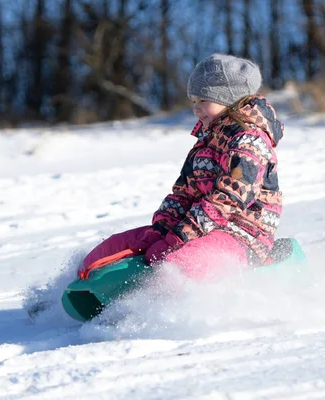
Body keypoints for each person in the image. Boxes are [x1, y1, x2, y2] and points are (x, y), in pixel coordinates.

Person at [78, 54, 284, 279]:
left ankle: (165, 307)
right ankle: (70, 291)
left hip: (242, 236)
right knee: (110, 250)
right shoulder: (206, 141)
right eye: (193, 101)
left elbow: (229, 198)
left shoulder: (249, 142)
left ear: (229, 99)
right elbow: (184, 192)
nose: (196, 109)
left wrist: (179, 237)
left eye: (204, 100)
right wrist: (163, 228)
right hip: (194, 227)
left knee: (177, 267)